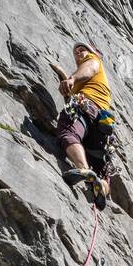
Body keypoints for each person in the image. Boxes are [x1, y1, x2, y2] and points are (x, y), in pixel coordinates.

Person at [54, 43, 117, 209]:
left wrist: (71, 78)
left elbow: (90, 67)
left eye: (82, 49)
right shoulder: (92, 83)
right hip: (103, 125)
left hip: (86, 107)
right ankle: (101, 189)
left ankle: (83, 169)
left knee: (68, 132)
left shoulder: (93, 60)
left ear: (94, 53)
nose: (78, 52)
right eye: (75, 52)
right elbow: (71, 92)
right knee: (101, 169)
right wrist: (65, 77)